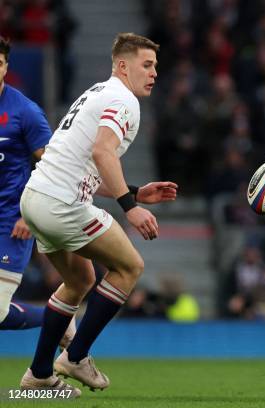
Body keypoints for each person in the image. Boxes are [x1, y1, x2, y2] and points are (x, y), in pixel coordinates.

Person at [18, 33, 178, 395]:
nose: (154, 73)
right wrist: (130, 208)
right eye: (147, 64)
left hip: (35, 198)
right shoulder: (124, 101)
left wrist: (136, 190)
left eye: (155, 66)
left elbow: (85, 164)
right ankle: (75, 357)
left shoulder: (96, 92)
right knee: (130, 266)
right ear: (123, 65)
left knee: (79, 281)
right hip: (62, 202)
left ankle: (39, 375)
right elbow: (104, 152)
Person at [0, 36, 75, 344]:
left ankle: (57, 320)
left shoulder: (25, 112)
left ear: (5, 68)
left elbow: (54, 165)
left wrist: (26, 213)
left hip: (9, 222)